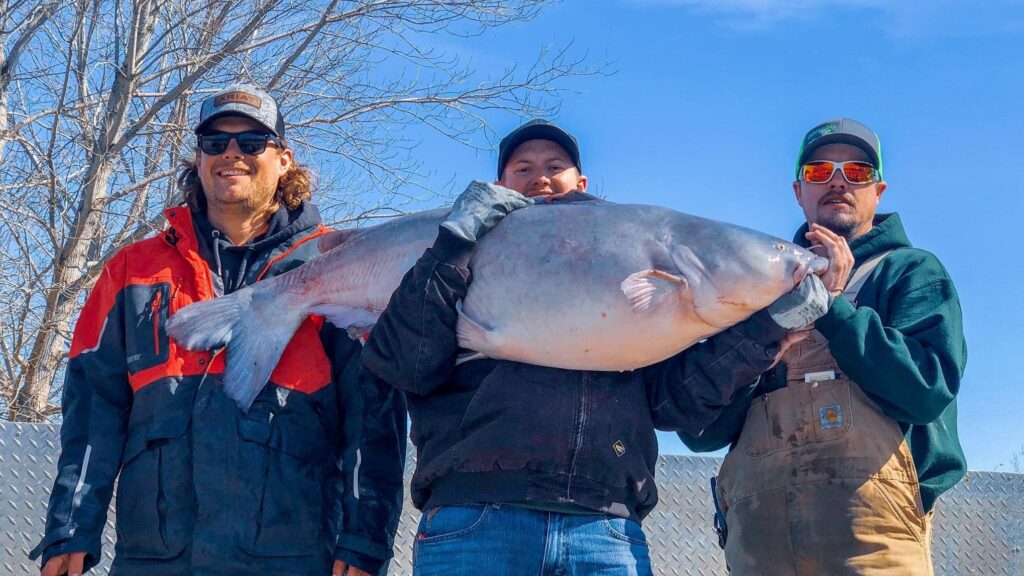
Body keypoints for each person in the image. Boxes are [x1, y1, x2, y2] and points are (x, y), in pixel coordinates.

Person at [361, 119, 831, 575]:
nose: (540, 177)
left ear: (581, 180)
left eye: (554, 165)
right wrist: (454, 244)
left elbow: (672, 405)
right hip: (476, 517)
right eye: (521, 169)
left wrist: (766, 330)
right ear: (496, 186)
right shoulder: (453, 253)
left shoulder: (630, 255)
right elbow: (406, 366)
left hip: (605, 527)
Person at [30, 85, 406, 576]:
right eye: (215, 142)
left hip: (294, 559)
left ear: (284, 159)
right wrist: (70, 527)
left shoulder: (337, 267)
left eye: (252, 143)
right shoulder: (130, 271)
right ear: (199, 156)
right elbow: (92, 411)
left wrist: (365, 542)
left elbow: (374, 417)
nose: (232, 153)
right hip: (156, 560)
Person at [680, 118, 968, 575]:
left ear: (879, 190)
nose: (837, 182)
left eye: (857, 172)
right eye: (818, 172)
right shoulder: (757, 287)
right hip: (759, 547)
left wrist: (832, 308)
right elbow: (702, 431)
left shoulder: (911, 273)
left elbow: (924, 392)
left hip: (873, 544)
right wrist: (763, 341)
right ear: (798, 190)